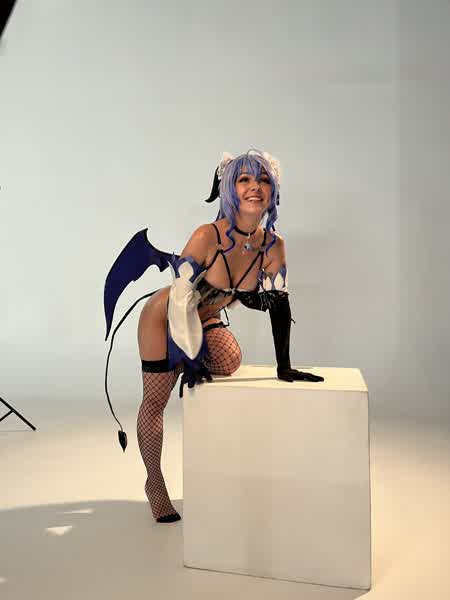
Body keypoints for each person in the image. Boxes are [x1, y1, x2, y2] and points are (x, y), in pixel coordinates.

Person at [103, 149, 324, 524]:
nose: (255, 186)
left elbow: (278, 303)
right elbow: (180, 297)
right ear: (228, 188)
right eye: (244, 179)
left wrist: (284, 366)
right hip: (164, 317)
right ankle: (154, 482)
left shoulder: (273, 246)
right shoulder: (207, 236)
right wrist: (187, 356)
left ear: (274, 189)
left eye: (264, 179)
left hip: (204, 317)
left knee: (230, 360)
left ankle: (188, 365)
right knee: (156, 400)